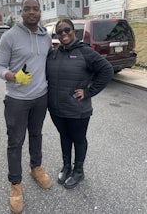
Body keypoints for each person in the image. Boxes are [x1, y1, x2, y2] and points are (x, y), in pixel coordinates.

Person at [0, 0, 52, 213]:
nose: (31, 12)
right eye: (27, 9)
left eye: (35, 9)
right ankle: (15, 184)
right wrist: (11, 75)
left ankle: (35, 168)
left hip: (40, 97)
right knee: (15, 141)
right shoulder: (10, 36)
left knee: (36, 134)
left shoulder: (45, 36)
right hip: (17, 100)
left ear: (40, 11)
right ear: (21, 12)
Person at [46, 19, 114, 189]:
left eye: (66, 29)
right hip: (56, 108)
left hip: (77, 109)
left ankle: (78, 171)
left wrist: (89, 92)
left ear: (73, 30)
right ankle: (66, 166)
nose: (63, 34)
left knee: (78, 138)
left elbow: (107, 70)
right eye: (59, 32)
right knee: (64, 136)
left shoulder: (85, 51)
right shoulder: (54, 53)